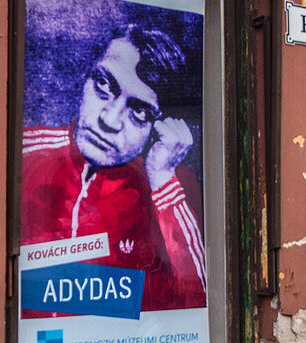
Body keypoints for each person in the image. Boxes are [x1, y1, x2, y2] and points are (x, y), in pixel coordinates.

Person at [21, 23, 207, 313]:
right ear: (85, 78)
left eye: (139, 111)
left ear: (159, 126)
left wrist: (162, 179)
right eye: (104, 86)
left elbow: (199, 304)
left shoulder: (172, 187)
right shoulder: (27, 154)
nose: (109, 120)